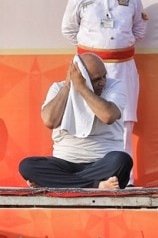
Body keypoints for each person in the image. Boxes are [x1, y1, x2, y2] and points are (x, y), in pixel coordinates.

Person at [61, 0, 148, 185]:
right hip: (89, 71)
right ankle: (92, 176)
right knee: (87, 118)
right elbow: (69, 31)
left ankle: (125, 179)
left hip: (123, 69)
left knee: (124, 120)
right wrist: (94, 56)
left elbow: (139, 31)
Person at [18, 53, 133, 189]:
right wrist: (68, 86)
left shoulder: (115, 86)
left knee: (121, 160)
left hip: (102, 163)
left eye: (104, 76)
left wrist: (83, 88)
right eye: (96, 79)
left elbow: (107, 116)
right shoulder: (58, 88)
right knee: (27, 166)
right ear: (81, 76)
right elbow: (50, 121)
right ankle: (95, 185)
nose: (102, 82)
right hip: (65, 163)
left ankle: (56, 183)